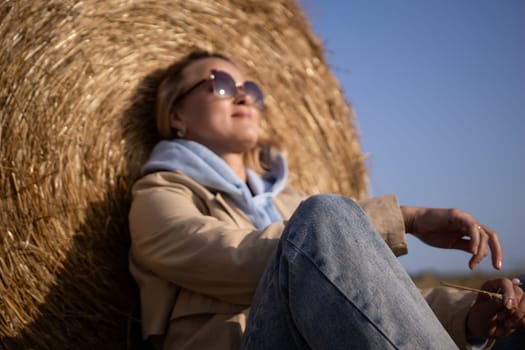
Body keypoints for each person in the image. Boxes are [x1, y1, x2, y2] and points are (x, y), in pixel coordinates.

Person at [128, 50, 525, 350]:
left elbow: (364, 302)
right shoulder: (159, 198)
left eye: (250, 89)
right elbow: (243, 260)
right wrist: (408, 219)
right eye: (221, 85)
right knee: (324, 216)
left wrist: (470, 316)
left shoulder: (286, 201)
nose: (244, 98)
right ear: (176, 114)